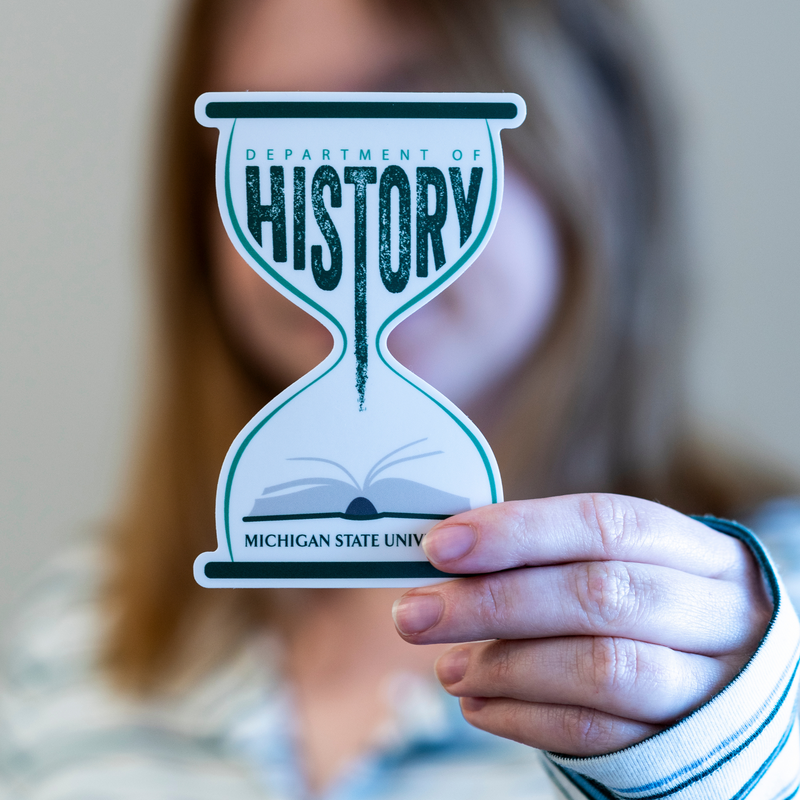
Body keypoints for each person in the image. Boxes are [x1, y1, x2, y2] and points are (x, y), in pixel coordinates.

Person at [1, 0, 798, 798]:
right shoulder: (77, 632)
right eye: (286, 147)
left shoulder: (762, 627)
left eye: (408, 118)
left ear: (588, 143)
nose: (346, 216)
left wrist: (720, 752)